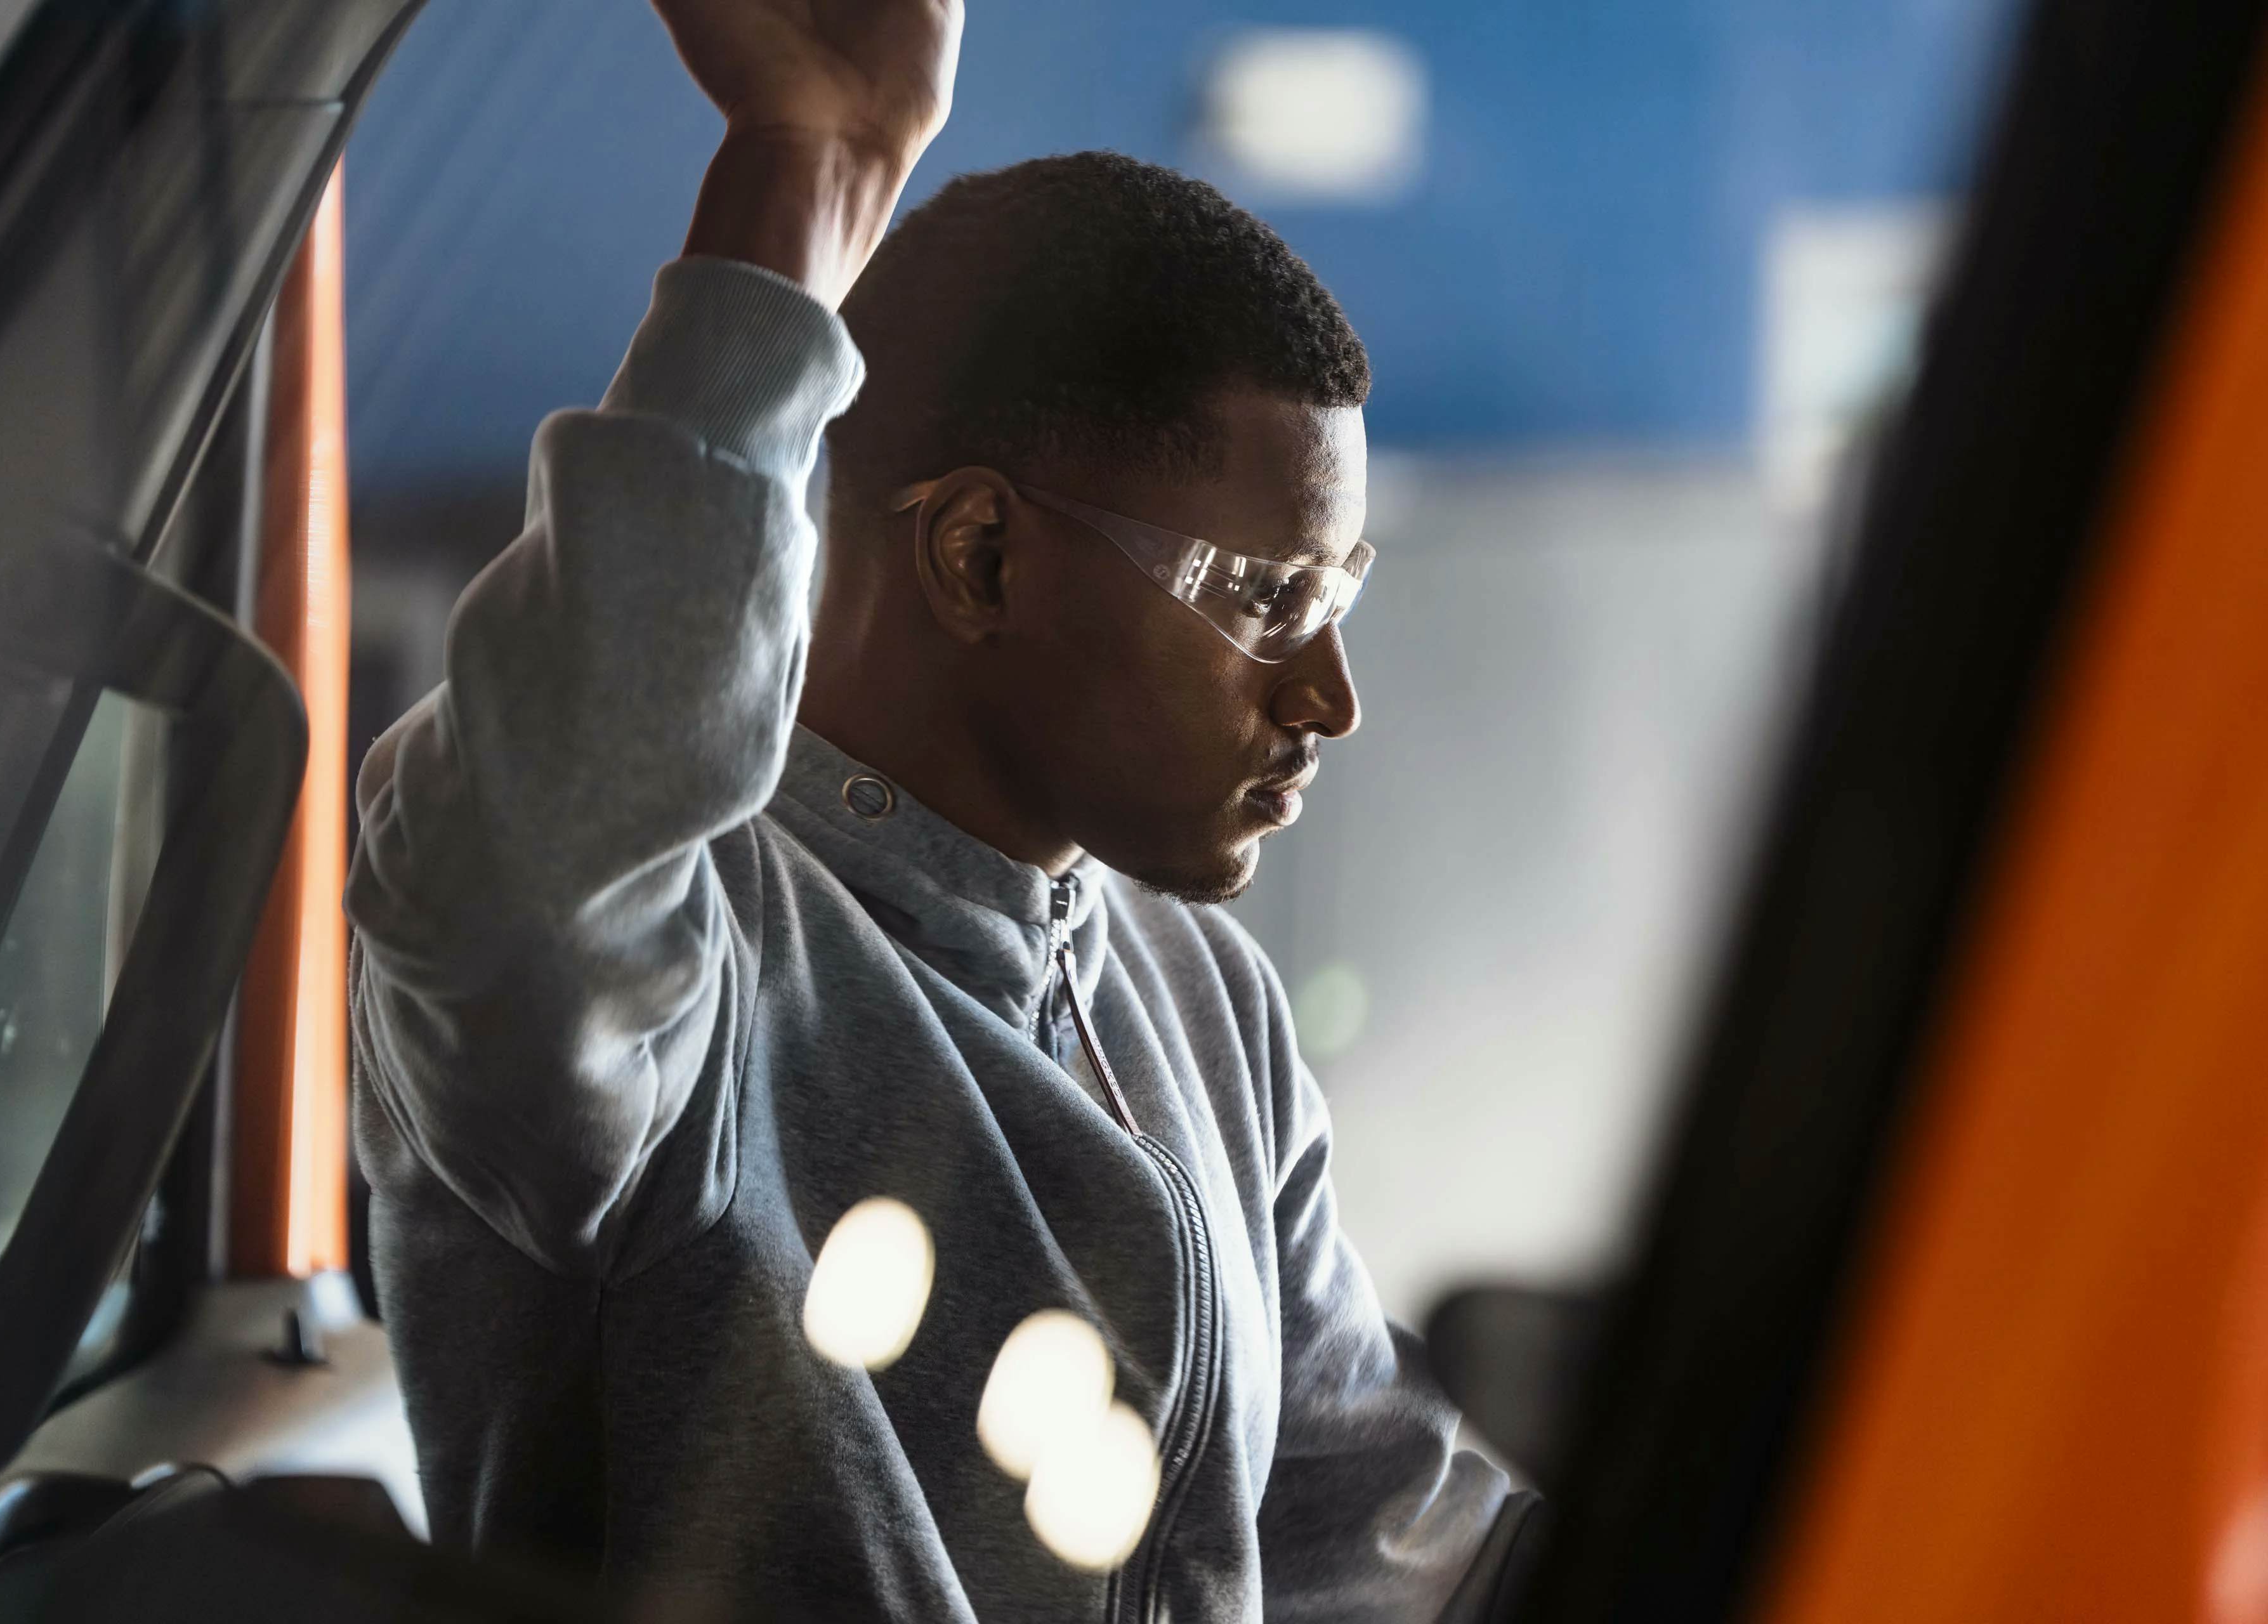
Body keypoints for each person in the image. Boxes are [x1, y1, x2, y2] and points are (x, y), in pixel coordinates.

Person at [345, 0, 1543, 1618]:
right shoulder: (697, 982)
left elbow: (1391, 1534)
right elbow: (522, 857)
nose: (1328, 693)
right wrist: (804, 180)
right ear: (979, 554)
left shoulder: (1205, 1003)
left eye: (1338, 596)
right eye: (1264, 597)